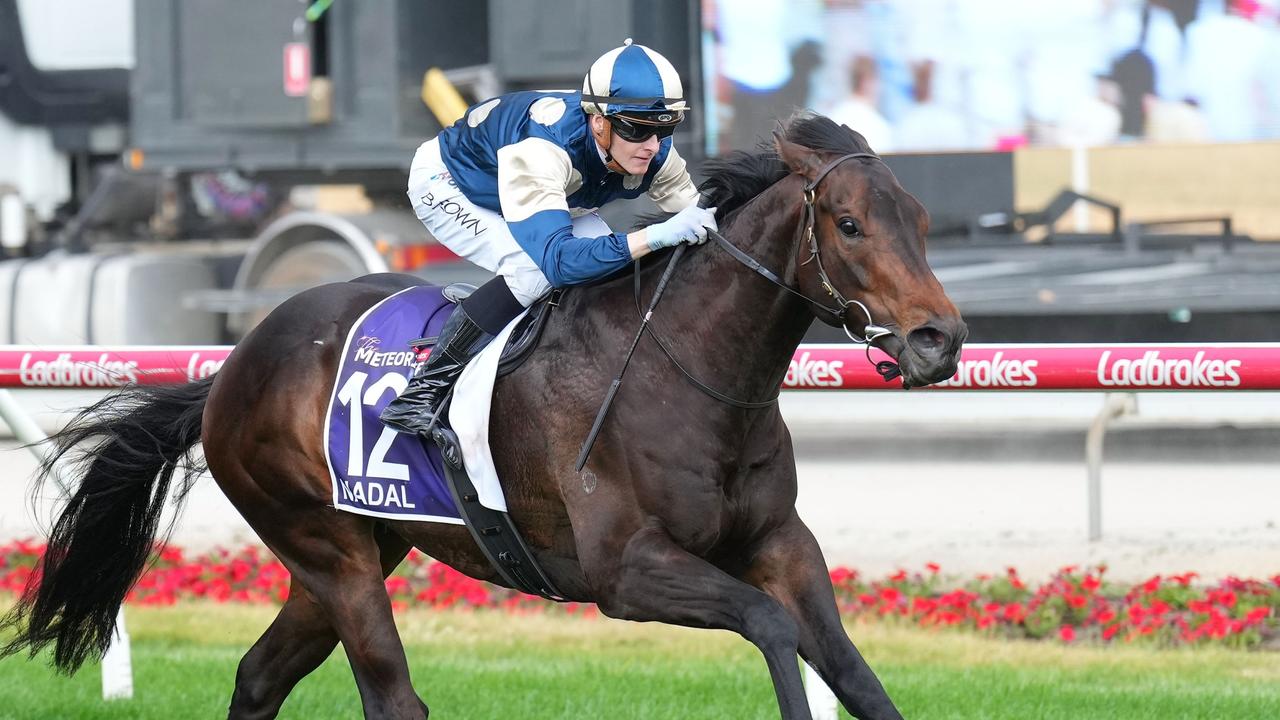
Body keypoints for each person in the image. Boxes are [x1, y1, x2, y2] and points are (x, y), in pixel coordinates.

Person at [380, 40, 717, 438]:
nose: (651, 146)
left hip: (535, 190)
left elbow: (705, 219)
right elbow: (559, 262)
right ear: (599, 122)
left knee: (612, 272)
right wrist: (653, 235)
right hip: (451, 183)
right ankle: (422, 391)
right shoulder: (543, 149)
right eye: (637, 130)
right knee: (533, 272)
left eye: (665, 129)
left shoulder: (656, 150)